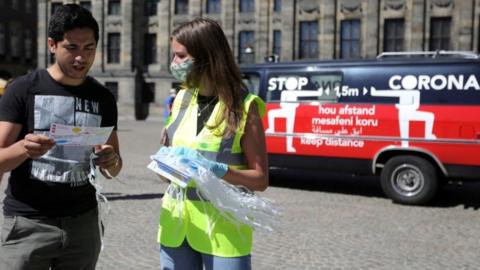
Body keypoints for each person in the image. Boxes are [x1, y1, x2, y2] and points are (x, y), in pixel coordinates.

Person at [0, 4, 122, 270]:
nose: (81, 58)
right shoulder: (22, 90)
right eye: (72, 48)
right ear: (52, 45)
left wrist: (110, 160)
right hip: (29, 223)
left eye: (89, 48)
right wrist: (23, 147)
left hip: (83, 225)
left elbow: (115, 167)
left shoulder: (103, 98)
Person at [157, 18, 269, 270]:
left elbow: (261, 180)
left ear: (206, 57)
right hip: (176, 226)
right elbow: (169, 172)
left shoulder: (245, 107)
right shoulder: (181, 98)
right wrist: (165, 164)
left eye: (180, 56)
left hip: (224, 230)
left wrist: (221, 172)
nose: (174, 64)